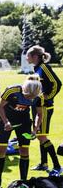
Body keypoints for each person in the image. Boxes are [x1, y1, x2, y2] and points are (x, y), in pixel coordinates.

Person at [0, 76, 44, 188]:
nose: (30, 99)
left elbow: (39, 114)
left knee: (24, 150)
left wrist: (35, 129)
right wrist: (6, 122)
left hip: (24, 121)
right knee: (1, 149)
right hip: (5, 119)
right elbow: (0, 107)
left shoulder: (38, 97)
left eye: (33, 97)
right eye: (28, 97)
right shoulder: (12, 90)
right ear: (24, 90)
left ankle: (23, 182)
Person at [26, 45, 62, 176]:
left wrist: (48, 97)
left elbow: (57, 83)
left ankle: (57, 166)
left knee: (42, 136)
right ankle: (44, 163)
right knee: (40, 135)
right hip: (37, 105)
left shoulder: (45, 67)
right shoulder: (37, 68)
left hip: (45, 107)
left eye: (28, 55)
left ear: (35, 56)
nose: (26, 57)